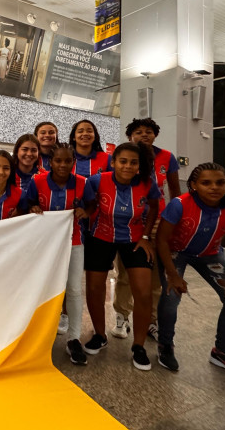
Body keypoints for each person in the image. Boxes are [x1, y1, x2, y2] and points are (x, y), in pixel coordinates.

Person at [156, 162, 225, 380]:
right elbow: (161, 240)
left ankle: (222, 352)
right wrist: (173, 275)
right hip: (175, 252)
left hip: (210, 254)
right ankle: (165, 344)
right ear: (193, 185)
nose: (214, 187)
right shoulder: (179, 204)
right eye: (206, 183)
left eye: (220, 182)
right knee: (171, 295)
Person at [83, 142, 160, 371]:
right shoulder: (96, 181)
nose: (127, 166)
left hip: (134, 239)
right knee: (95, 289)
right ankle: (99, 335)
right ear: (113, 162)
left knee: (143, 292)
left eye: (133, 162)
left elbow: (154, 207)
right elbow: (88, 206)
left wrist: (146, 235)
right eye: (123, 161)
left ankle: (138, 346)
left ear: (139, 166)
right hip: (100, 237)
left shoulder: (147, 183)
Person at [111, 117, 182, 341]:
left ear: (155, 135)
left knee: (153, 274)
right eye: (139, 131)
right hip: (127, 221)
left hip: (157, 220)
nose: (144, 135)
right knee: (124, 272)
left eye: (149, 131)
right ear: (130, 136)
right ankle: (122, 316)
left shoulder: (166, 157)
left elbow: (174, 189)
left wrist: (176, 218)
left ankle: (151, 320)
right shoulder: (124, 156)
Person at [24, 144, 94, 364]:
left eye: (67, 161)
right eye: (58, 161)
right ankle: (38, 335)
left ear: (73, 162)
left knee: (73, 289)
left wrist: (86, 211)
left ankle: (74, 338)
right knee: (42, 287)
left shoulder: (82, 183)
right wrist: (33, 208)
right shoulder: (37, 181)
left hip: (73, 242)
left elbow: (92, 204)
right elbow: (27, 204)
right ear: (50, 162)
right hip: (43, 244)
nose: (63, 165)